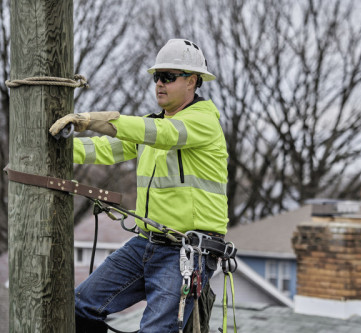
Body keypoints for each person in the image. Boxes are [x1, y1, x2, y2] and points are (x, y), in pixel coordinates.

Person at [50, 38, 228, 333]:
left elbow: (164, 134)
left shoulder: (202, 122)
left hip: (186, 252)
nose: (160, 83)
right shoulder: (154, 125)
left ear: (192, 81)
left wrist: (93, 119)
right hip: (147, 243)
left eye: (169, 77)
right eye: (158, 76)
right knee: (81, 305)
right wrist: (53, 151)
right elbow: (105, 149)